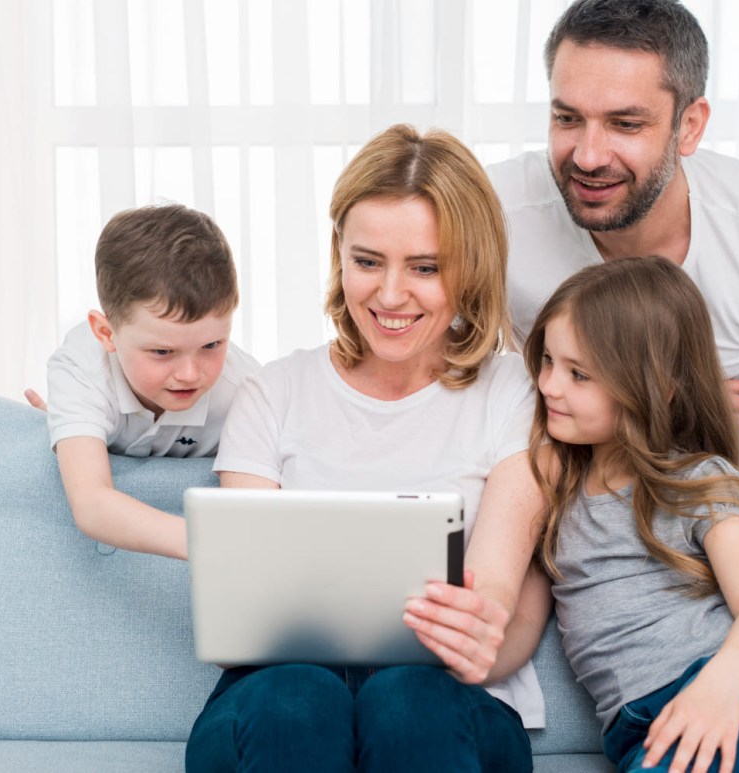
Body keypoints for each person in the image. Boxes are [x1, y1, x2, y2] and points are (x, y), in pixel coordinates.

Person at [184, 124, 547, 772]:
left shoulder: (511, 391)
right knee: (297, 692)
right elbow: (248, 604)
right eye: (367, 260)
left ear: (472, 267)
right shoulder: (274, 392)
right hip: (276, 701)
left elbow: (494, 583)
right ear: (339, 256)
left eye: (425, 267)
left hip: (446, 703)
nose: (388, 294)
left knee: (406, 698)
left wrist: (480, 624)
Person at [520, 256, 739, 772]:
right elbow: (518, 628)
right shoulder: (555, 497)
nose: (550, 385)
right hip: (637, 729)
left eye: (579, 374)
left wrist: (719, 689)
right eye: (548, 361)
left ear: (655, 388)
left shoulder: (694, 481)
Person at [487, 0, 739, 430]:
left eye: (625, 124)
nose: (587, 157)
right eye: (567, 118)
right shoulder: (491, 214)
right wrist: (666, 409)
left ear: (690, 126)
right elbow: (430, 387)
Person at [40, 204, 258, 560]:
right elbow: (92, 504)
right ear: (105, 333)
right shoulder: (81, 367)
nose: (190, 373)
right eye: (161, 352)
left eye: (212, 345)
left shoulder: (247, 389)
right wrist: (215, 544)